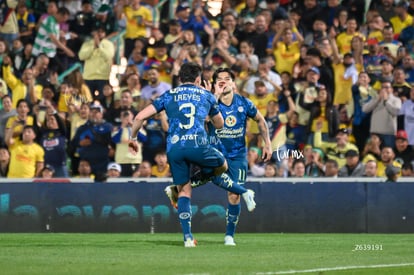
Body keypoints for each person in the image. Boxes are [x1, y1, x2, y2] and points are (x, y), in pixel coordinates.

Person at [128, 62, 228, 247]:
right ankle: (198, 181)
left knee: (184, 190)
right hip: (198, 145)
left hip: (174, 149)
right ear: (198, 80)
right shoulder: (206, 95)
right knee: (223, 165)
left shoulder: (168, 95)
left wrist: (133, 138)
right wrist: (214, 98)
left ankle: (188, 238)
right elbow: (219, 124)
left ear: (180, 79)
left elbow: (139, 117)